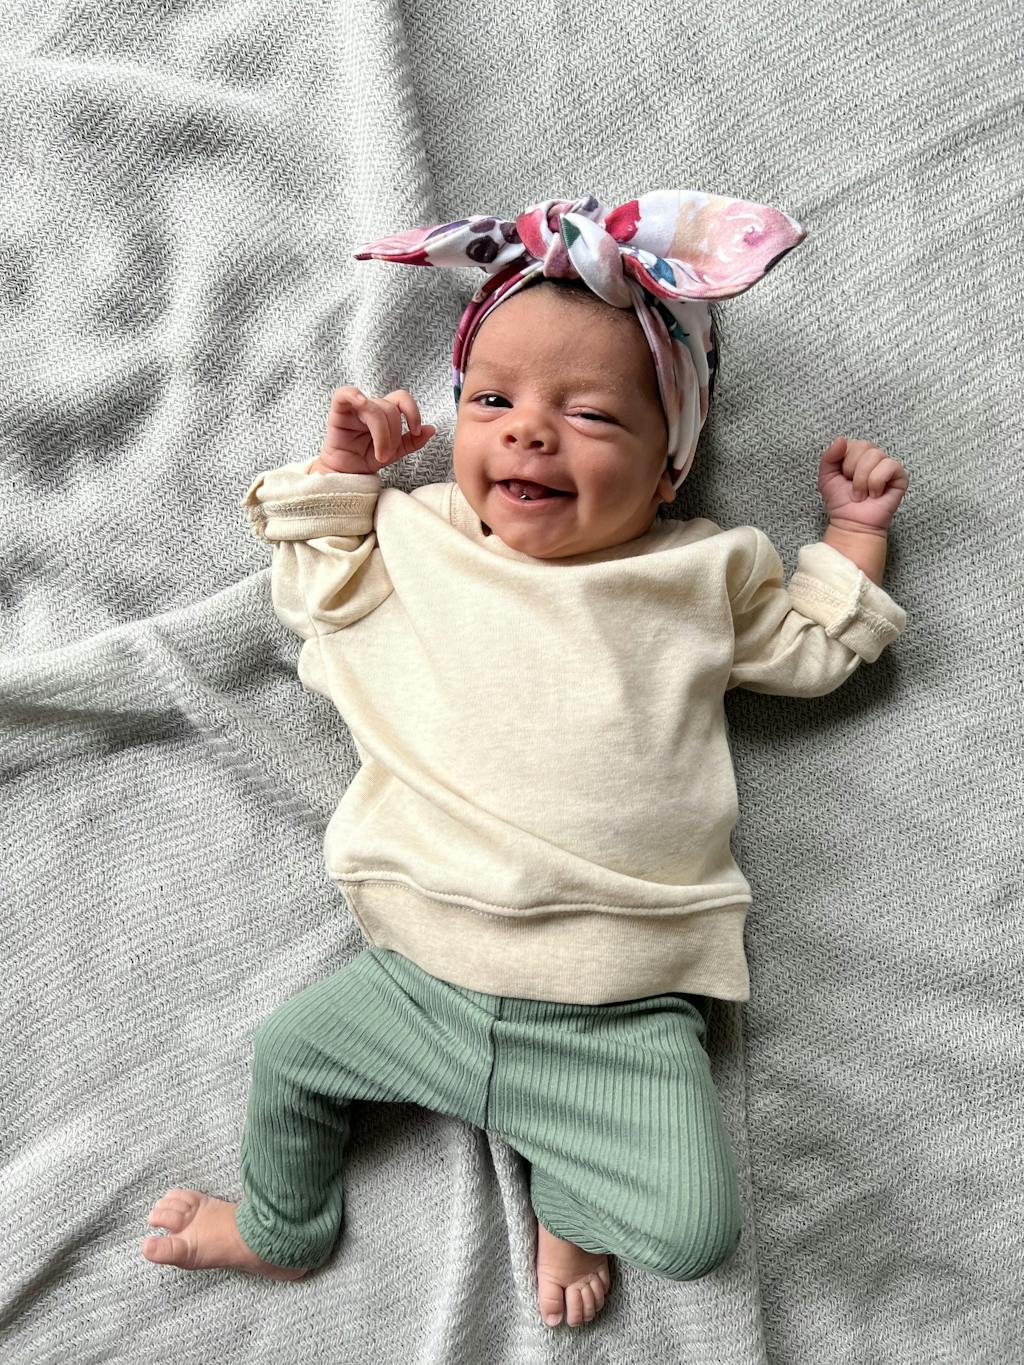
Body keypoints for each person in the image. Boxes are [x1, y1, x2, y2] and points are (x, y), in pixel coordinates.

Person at [141, 191, 909, 1329]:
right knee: (289, 1056)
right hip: (418, 971)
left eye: (588, 413)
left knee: (696, 1235)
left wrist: (853, 534)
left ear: (668, 469)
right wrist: (348, 470)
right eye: (492, 400)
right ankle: (279, 1228)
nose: (528, 431)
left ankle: (569, 1188)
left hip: (617, 1007)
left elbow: (809, 651)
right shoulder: (416, 535)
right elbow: (311, 592)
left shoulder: (699, 574)